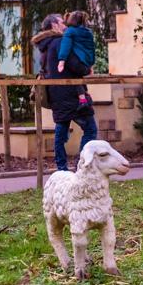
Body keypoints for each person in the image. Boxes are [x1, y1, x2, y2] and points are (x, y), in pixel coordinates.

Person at [32, 14, 98, 171]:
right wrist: (87, 69)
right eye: (62, 22)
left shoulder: (45, 46)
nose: (66, 24)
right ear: (54, 25)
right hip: (72, 94)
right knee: (90, 129)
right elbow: (75, 65)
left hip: (55, 94)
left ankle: (61, 168)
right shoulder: (62, 42)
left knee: (60, 132)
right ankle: (81, 165)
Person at [57, 11, 95, 114]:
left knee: (73, 75)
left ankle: (83, 100)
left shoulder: (70, 31)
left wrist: (61, 61)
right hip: (86, 66)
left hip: (78, 65)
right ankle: (84, 97)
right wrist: (91, 65)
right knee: (77, 76)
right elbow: (91, 48)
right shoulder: (88, 32)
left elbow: (65, 46)